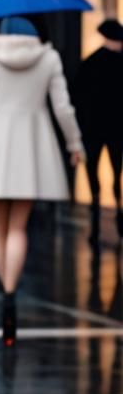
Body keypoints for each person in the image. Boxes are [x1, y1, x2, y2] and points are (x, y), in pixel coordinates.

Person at [0, 16, 84, 344]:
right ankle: (12, 294)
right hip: (32, 143)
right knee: (18, 228)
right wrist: (74, 144)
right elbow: (62, 107)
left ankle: (6, 291)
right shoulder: (49, 57)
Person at [72, 18, 123, 247]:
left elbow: (77, 99)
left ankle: (96, 222)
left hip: (94, 130)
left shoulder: (90, 63)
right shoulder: (108, 63)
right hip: (114, 130)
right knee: (115, 173)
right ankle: (117, 213)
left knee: (96, 176)